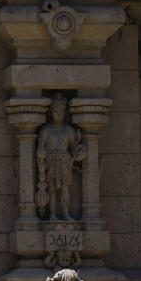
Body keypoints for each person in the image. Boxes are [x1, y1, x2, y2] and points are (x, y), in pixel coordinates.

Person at [36, 93, 86, 221]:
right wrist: (41, 153)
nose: (58, 113)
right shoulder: (46, 130)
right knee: (51, 190)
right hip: (51, 162)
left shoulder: (69, 130)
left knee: (65, 190)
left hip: (65, 162)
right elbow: (40, 147)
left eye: (61, 111)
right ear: (52, 111)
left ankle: (65, 213)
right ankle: (52, 214)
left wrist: (79, 152)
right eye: (56, 111)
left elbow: (74, 147)